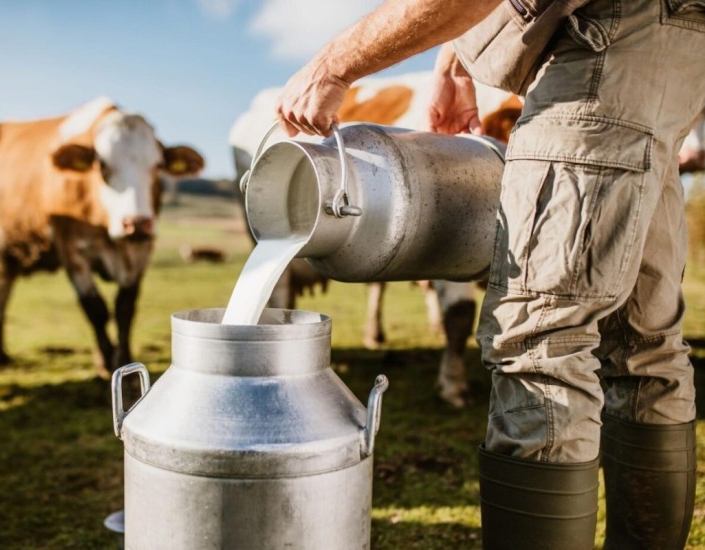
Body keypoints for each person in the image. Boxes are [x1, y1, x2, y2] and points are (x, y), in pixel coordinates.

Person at [275, 1, 704, 548]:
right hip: (670, 47)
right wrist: (455, 61)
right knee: (643, 345)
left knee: (541, 344)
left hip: (597, 49)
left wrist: (331, 66)